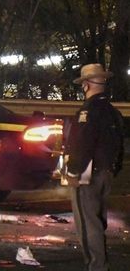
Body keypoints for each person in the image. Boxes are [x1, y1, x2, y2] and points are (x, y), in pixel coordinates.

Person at [64, 63, 124, 271]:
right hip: (106, 173)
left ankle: (96, 266)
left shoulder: (87, 112)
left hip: (88, 175)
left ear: (86, 85)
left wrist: (73, 171)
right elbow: (119, 143)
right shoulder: (113, 112)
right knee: (98, 221)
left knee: (88, 224)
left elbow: (83, 144)